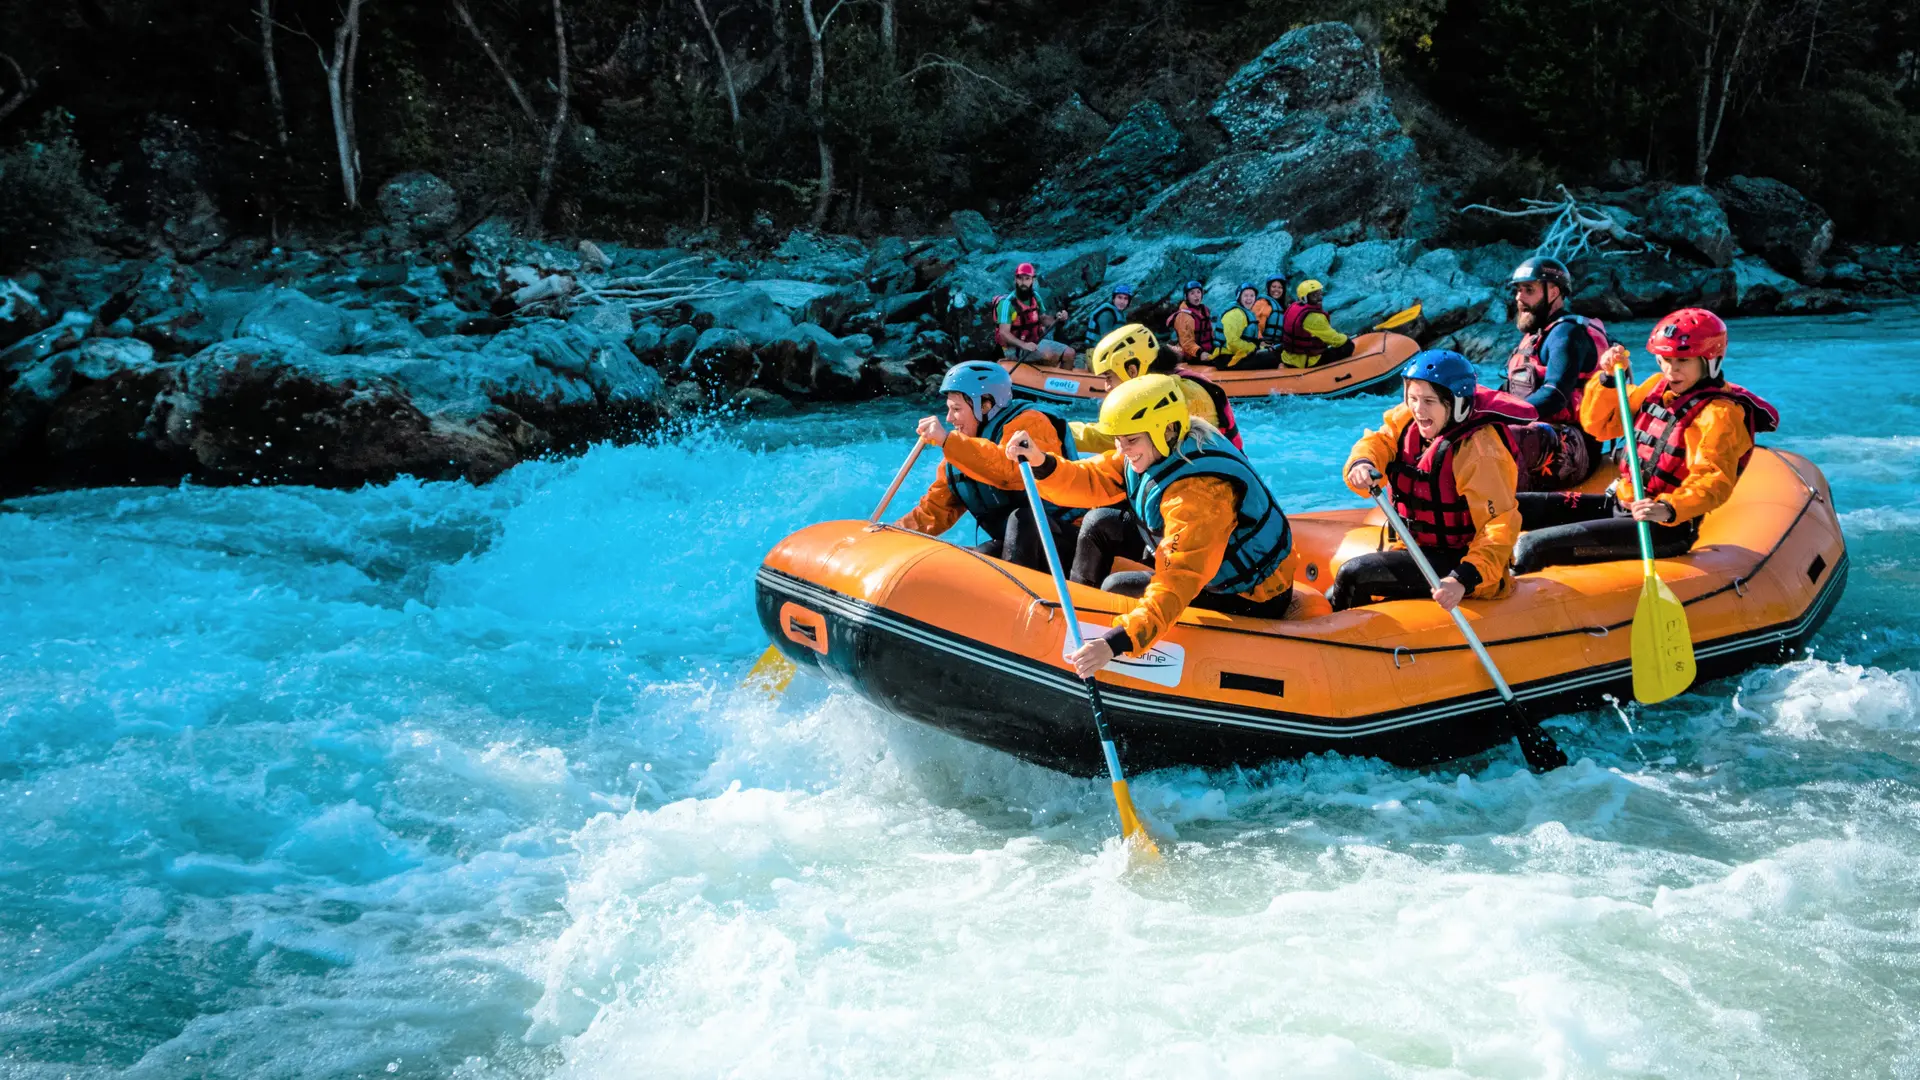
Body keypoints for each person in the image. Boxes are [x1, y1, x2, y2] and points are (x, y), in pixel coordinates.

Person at [1004, 375, 1296, 676]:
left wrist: (1118, 640)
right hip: (1208, 561)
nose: (1124, 449)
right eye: (1120, 440)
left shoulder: (1199, 494)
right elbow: (1095, 477)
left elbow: (1178, 579)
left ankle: (1099, 646)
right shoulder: (1157, 446)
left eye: (1131, 441)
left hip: (1250, 595)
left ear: (1166, 429)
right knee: (1099, 523)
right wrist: (1042, 462)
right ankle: (1074, 626)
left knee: (1117, 586)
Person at [1511, 308, 1779, 574]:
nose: (1671, 370)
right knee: (1516, 504)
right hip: (1621, 503)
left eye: (1683, 361)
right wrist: (1606, 380)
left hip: (1662, 527)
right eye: (1665, 359)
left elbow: (1713, 479)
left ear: (1710, 360)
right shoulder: (1655, 386)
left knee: (1533, 546)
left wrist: (1669, 508)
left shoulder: (1719, 413)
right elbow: (1600, 426)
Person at [1329, 350, 1533, 611]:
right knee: (1337, 590)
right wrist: (1362, 462)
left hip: (1465, 565)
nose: (1418, 409)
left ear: (1456, 404)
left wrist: (1462, 579)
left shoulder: (1480, 452)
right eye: (1412, 398)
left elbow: (1499, 526)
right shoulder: (1407, 421)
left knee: (1355, 574)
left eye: (1429, 401)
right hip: (1417, 550)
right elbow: (1379, 441)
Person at [895, 361, 1083, 571]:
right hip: (1019, 547)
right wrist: (891, 534)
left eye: (956, 409)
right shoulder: (959, 453)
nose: (949, 419)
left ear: (985, 404)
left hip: (1070, 543)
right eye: (948, 409)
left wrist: (947, 441)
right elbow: (934, 513)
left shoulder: (1032, 423)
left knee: (1023, 520)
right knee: (970, 558)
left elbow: (1011, 472)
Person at [1502, 255, 1608, 488]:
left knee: (1503, 435)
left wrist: (1501, 417)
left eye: (1528, 289)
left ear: (1553, 292)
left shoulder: (1568, 334)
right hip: (1537, 430)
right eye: (1518, 290)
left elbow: (1555, 394)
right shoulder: (1535, 337)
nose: (1519, 297)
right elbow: (1506, 393)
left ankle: (1512, 507)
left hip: (1575, 445)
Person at [1073, 323, 1242, 451]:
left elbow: (1121, 437)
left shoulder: (1181, 392)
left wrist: (1058, 431)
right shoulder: (1168, 384)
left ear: (1132, 370)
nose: (1107, 387)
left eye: (1109, 377)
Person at [997, 262, 1075, 366]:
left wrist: (1058, 318)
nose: (1023, 282)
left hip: (1034, 342)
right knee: (1048, 354)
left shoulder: (1035, 297)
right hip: (1015, 348)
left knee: (1070, 353)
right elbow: (1004, 333)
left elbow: (1043, 319)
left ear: (1033, 280)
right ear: (1015, 280)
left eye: (1027, 278)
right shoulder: (1007, 304)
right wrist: (1024, 345)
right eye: (1020, 278)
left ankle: (1063, 381)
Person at [1277, 279, 1355, 368]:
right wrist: (1346, 338)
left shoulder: (1293, 308)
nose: (1319, 298)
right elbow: (1334, 339)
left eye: (1319, 294)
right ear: (1305, 298)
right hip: (1306, 362)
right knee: (1347, 346)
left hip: (1288, 358)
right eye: (1314, 295)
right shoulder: (1314, 317)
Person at [1218, 282, 1281, 368]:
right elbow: (1232, 343)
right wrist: (1253, 348)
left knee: (1273, 352)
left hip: (1238, 354)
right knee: (1272, 359)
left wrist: (1260, 347)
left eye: (1252, 296)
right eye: (1246, 295)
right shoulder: (1235, 314)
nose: (1249, 299)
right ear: (1239, 297)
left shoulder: (1246, 312)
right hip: (1226, 358)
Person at [1166, 280, 1219, 362]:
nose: (1196, 296)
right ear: (1186, 297)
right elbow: (1186, 342)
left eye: (1198, 292)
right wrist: (1200, 353)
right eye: (1192, 293)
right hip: (1192, 355)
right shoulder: (1183, 316)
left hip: (1207, 350)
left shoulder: (1204, 310)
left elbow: (1209, 333)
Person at [1083, 283, 1134, 351]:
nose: (1122, 302)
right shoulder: (1107, 314)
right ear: (1113, 299)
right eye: (1119, 297)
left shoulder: (1120, 313)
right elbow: (1106, 341)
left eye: (1125, 299)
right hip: (1095, 351)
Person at [1255, 275, 1288, 350]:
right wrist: (1260, 342)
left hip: (1277, 346)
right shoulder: (1262, 303)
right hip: (1263, 346)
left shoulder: (1284, 307)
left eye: (1280, 287)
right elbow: (1255, 325)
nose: (1277, 290)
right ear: (1268, 288)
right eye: (1274, 287)